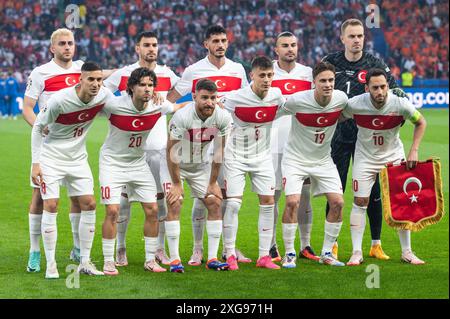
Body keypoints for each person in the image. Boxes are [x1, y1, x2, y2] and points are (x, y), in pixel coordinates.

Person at [167, 25, 251, 266]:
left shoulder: (237, 69)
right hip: (194, 140)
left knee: (222, 196)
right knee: (198, 199)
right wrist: (159, 105)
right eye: (215, 40)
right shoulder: (194, 70)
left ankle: (229, 250)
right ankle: (196, 250)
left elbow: (245, 99)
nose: (220, 44)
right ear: (206, 44)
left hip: (225, 138)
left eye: (224, 40)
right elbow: (172, 98)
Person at [322, 18, 404, 260]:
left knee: (373, 193)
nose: (357, 40)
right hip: (337, 138)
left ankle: (375, 243)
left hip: (367, 141)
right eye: (352, 36)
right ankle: (333, 243)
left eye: (360, 36)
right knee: (335, 190)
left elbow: (396, 91)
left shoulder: (374, 63)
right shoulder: (330, 62)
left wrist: (402, 105)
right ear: (343, 39)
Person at [103, 31, 180, 267]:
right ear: (138, 48)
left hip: (158, 149)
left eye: (154, 45)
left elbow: (176, 102)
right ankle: (120, 249)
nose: (151, 49)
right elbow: (101, 89)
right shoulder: (125, 73)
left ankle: (158, 251)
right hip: (128, 151)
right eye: (146, 45)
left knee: (159, 203)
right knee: (123, 204)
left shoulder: (167, 74)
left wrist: (161, 100)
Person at [30, 61, 113, 278]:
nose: (96, 84)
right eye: (91, 79)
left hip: (78, 158)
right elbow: (38, 127)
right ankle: (50, 265)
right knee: (51, 203)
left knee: (90, 203)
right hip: (51, 158)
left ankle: (84, 261)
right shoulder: (60, 99)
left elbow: (123, 105)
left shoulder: (104, 95)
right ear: (80, 79)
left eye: (99, 79)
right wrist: (35, 163)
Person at [343, 68, 427, 266]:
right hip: (365, 158)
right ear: (367, 88)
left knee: (401, 202)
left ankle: (407, 252)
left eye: (383, 87)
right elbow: (337, 118)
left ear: (388, 86)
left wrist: (414, 150)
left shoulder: (400, 104)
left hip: (393, 156)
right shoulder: (356, 104)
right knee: (360, 201)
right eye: (375, 87)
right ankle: (356, 252)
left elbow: (421, 122)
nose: (380, 91)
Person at [23, 28, 86, 273]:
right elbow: (28, 107)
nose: (67, 47)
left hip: (75, 146)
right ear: (53, 48)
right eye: (62, 43)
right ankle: (35, 250)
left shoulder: (82, 70)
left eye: (70, 43)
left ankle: (78, 247)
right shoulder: (41, 73)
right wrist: (40, 125)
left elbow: (107, 77)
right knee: (41, 198)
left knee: (78, 198)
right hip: (48, 146)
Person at [279, 62, 348, 268]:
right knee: (292, 202)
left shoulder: (341, 99)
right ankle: (289, 253)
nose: (327, 84)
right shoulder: (297, 101)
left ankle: (327, 252)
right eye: (323, 81)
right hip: (295, 159)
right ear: (313, 82)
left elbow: (351, 113)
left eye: (331, 80)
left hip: (322, 160)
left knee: (338, 203)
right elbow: (274, 112)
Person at [222, 56, 285, 271]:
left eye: (270, 75)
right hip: (236, 157)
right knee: (233, 203)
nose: (266, 80)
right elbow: (213, 105)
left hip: (262, 157)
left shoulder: (276, 96)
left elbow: (287, 108)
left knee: (268, 202)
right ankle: (230, 253)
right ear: (252, 76)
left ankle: (263, 256)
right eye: (262, 75)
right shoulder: (236, 97)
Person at [163, 79, 232, 273]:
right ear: (194, 97)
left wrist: (212, 183)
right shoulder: (182, 117)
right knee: (175, 202)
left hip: (200, 165)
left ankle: (212, 258)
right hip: (174, 164)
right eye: (204, 98)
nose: (209, 102)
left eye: (212, 98)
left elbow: (219, 151)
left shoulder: (223, 117)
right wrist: (176, 184)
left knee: (214, 201)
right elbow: (172, 152)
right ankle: (175, 260)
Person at [269, 31, 318, 262]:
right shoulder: (267, 72)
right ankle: (271, 245)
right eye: (285, 45)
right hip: (273, 144)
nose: (290, 49)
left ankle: (306, 245)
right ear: (276, 49)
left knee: (304, 195)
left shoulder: (308, 74)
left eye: (293, 45)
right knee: (273, 195)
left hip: (302, 144)